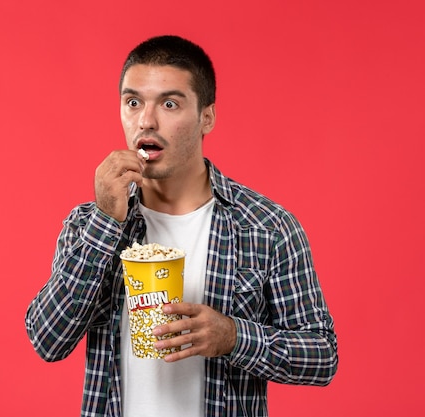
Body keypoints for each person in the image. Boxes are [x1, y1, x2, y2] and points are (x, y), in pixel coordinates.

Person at [25, 35, 338, 417]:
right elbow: (47, 340)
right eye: (133, 102)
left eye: (169, 103)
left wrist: (235, 337)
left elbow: (322, 356)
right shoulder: (88, 225)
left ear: (207, 116)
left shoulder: (267, 227)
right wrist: (106, 221)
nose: (146, 120)